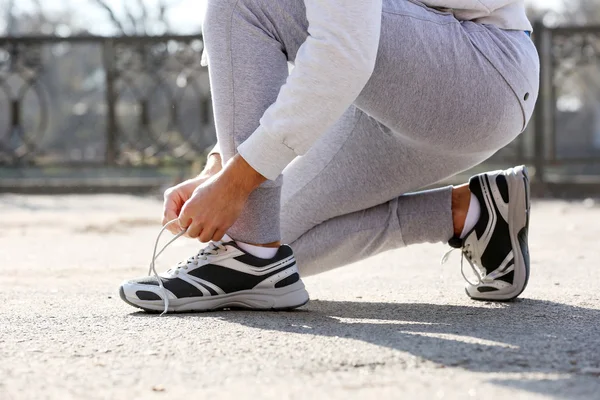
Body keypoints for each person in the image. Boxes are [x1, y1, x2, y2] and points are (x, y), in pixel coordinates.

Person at [119, 0, 539, 313]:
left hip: (478, 73)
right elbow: (269, 61)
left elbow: (340, 54)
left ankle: (251, 253)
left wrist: (236, 184)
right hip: (398, 96)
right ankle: (473, 214)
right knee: (280, 244)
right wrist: (221, 166)